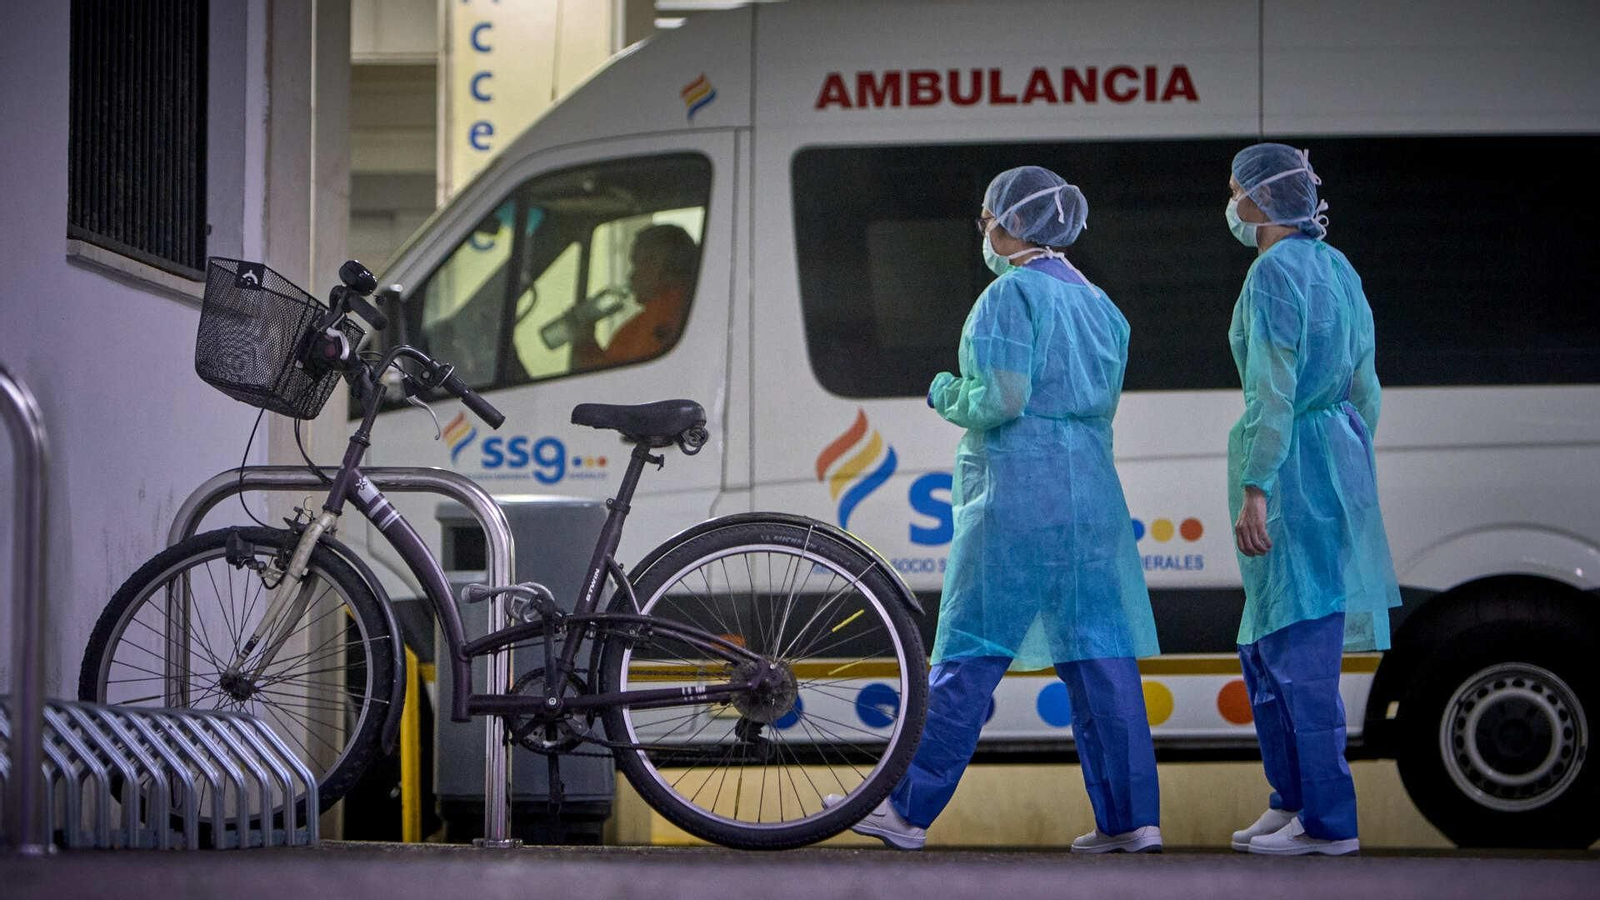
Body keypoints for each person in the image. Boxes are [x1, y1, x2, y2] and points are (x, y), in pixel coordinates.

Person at [831, 166, 1162, 853]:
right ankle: (1133, 820)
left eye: (987, 218)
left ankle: (905, 811)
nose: (983, 229)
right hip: (1092, 497)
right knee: (1101, 657)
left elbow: (1001, 399)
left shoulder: (1008, 297)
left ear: (1012, 224)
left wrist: (947, 391)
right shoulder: (1102, 305)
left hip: (1020, 491)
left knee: (970, 653)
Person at [1222, 143, 1402, 856]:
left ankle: (1328, 822)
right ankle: (1290, 799)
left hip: (1292, 467)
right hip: (1332, 463)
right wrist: (1347, 454)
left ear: (1263, 202)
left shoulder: (1271, 276)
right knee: (1265, 645)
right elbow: (1367, 386)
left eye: (1236, 192)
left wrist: (1258, 488)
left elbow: (1273, 392)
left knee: (1300, 653)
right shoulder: (1337, 266)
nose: (1231, 204)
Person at [572, 223, 698, 370]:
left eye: (637, 264)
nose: (631, 275)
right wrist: (587, 342)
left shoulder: (662, 319)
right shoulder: (685, 309)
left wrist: (584, 345)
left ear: (658, 264)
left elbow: (618, 382)